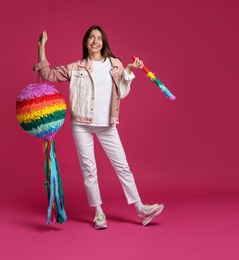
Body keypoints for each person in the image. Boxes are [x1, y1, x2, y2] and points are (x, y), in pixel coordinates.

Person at [34, 25, 164, 229]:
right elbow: (48, 74)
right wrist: (42, 47)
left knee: (123, 166)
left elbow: (122, 92)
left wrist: (129, 70)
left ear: (103, 43)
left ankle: (141, 210)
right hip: (81, 124)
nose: (96, 41)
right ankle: (99, 213)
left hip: (107, 124)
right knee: (89, 170)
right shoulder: (76, 68)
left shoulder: (115, 64)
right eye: (92, 38)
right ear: (86, 42)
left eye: (99, 38)